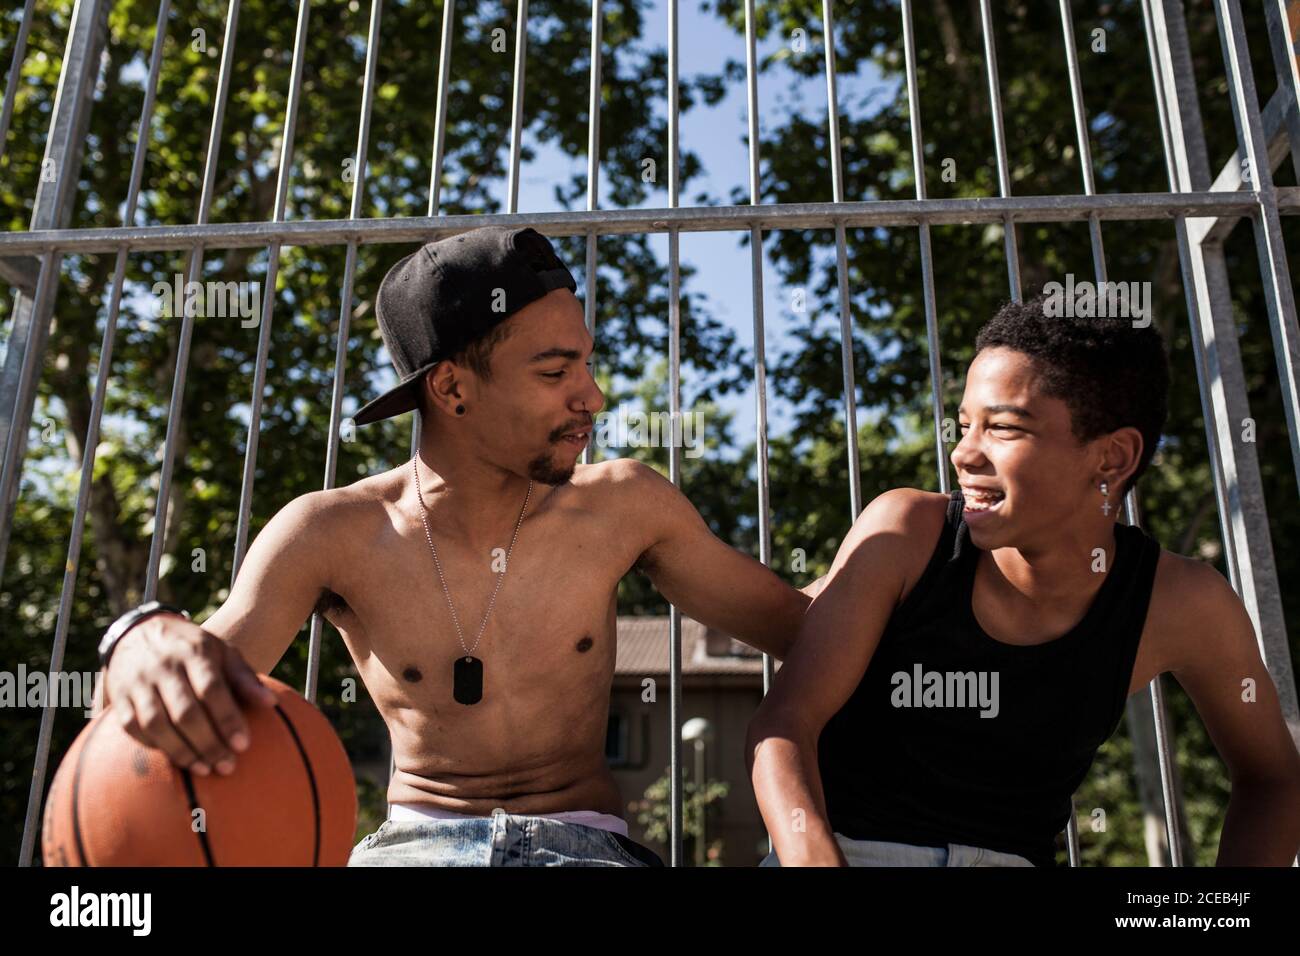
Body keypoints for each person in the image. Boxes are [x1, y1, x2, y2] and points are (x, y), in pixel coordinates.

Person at [99, 226, 815, 867]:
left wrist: (894, 546)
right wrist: (137, 639)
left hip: (588, 849)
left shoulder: (622, 505)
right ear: (452, 388)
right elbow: (200, 666)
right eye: (555, 372)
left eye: (587, 365)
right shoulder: (333, 531)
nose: (592, 396)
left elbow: (802, 627)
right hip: (414, 850)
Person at [747, 297, 1300, 867]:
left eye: (1002, 428)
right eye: (965, 425)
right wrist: (810, 854)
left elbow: (1274, 779)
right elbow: (785, 721)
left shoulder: (1184, 602)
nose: (963, 453)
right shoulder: (908, 531)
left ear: (1113, 457)